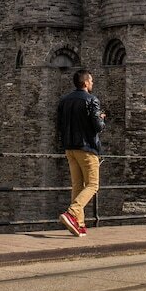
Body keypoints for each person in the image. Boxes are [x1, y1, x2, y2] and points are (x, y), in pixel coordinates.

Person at [56, 69, 106, 237]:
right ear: (85, 83)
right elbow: (98, 126)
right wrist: (101, 118)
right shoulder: (92, 100)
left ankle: (79, 223)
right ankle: (72, 213)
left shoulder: (64, 101)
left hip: (70, 147)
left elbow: (59, 124)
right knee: (93, 184)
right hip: (87, 148)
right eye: (91, 81)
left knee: (78, 185)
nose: (92, 83)